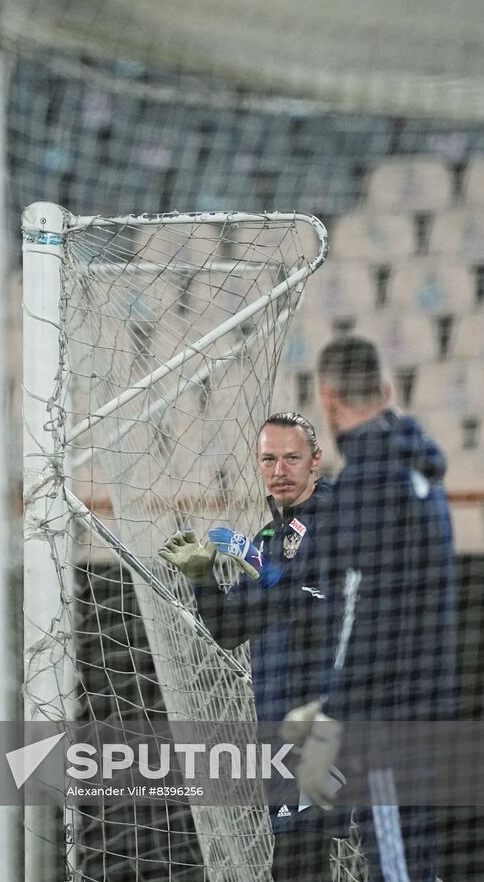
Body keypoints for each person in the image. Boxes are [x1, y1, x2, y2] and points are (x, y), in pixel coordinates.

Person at [283, 335, 456, 882]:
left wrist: (333, 711)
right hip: (429, 700)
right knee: (411, 857)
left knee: (396, 863)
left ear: (329, 399)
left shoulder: (366, 480)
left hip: (387, 714)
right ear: (385, 390)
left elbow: (361, 605)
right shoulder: (419, 467)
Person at [159, 411, 345, 881]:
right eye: (269, 459)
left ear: (315, 461)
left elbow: (331, 608)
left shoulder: (339, 521)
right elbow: (228, 631)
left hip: (325, 720)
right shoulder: (268, 537)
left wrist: (266, 570)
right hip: (279, 724)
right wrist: (203, 580)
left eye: (291, 458)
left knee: (299, 863)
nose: (279, 471)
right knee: (299, 861)